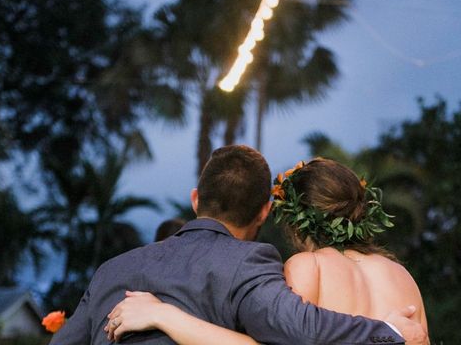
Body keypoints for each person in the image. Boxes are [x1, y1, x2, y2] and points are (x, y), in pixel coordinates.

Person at [51, 145, 427, 344]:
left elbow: (291, 339)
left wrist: (164, 315)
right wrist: (387, 333)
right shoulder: (401, 276)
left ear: (196, 199)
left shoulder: (110, 270)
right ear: (264, 212)